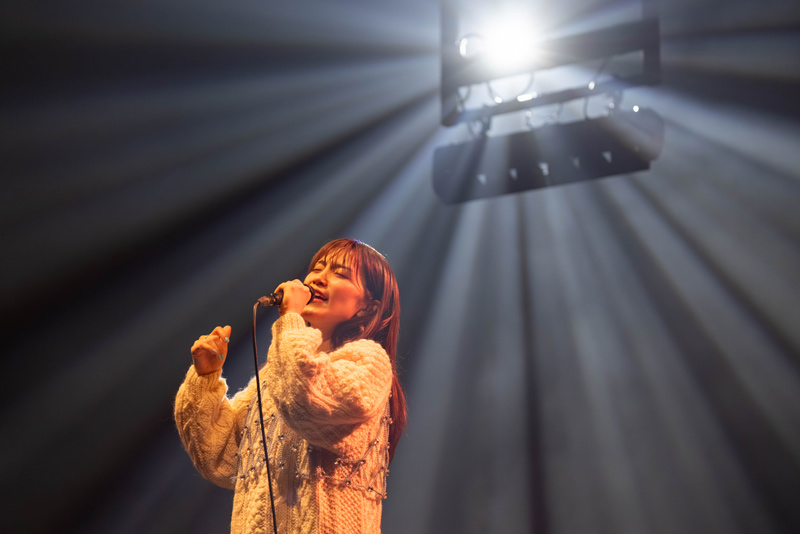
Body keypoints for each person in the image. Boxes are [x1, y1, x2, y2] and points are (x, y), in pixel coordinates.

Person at [175, 239, 407, 534]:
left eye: (339, 273)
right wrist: (206, 377)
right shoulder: (275, 375)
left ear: (367, 307)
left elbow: (305, 398)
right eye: (317, 268)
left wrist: (291, 320)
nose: (318, 278)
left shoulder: (369, 362)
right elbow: (220, 456)